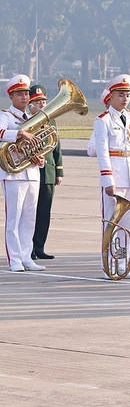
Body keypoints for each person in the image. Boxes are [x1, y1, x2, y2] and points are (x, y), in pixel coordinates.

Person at [93, 74, 130, 278]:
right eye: (120, 94)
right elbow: (102, 152)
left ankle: (123, 262)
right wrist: (108, 179)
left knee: (128, 223)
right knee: (112, 222)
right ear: (111, 96)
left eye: (127, 94)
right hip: (115, 174)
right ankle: (110, 265)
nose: (124, 99)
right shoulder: (102, 120)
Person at [0, 75, 45, 272]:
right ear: (11, 96)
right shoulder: (6, 116)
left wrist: (40, 158)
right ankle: (15, 260)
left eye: (26, 93)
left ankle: (27, 257)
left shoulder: (34, 118)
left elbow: (41, 143)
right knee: (14, 218)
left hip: (32, 172)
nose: (25, 97)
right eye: (19, 94)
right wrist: (19, 133)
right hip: (13, 174)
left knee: (29, 218)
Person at [26, 85, 62, 260]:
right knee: (30, 212)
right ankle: (28, 248)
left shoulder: (51, 121)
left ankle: (39, 247)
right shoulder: (25, 121)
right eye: (37, 102)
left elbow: (56, 147)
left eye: (43, 101)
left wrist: (59, 171)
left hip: (47, 171)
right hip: (29, 171)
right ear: (30, 104)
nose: (42, 105)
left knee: (44, 212)